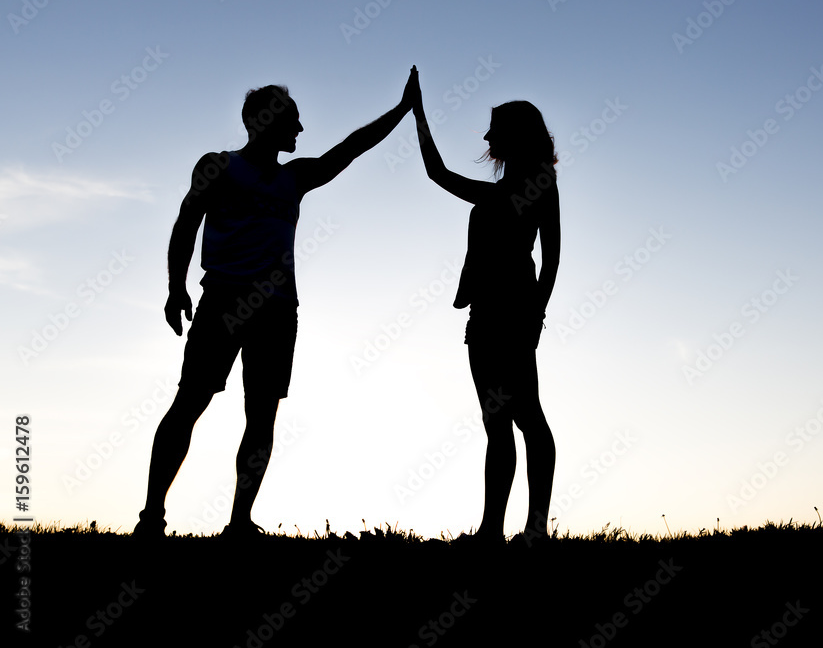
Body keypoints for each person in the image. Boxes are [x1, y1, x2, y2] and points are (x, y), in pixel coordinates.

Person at [134, 69, 418, 540]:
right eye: (293, 120)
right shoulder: (218, 166)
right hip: (223, 299)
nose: (301, 130)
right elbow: (185, 224)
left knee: (262, 416)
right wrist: (176, 288)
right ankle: (151, 517)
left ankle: (239, 521)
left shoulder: (296, 176)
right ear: (262, 120)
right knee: (189, 404)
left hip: (278, 310)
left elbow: (350, 148)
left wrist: (401, 109)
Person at [410, 66, 560, 543]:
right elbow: (439, 175)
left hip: (513, 313)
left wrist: (536, 313)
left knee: (527, 416)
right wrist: (416, 112)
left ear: (515, 134)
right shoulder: (501, 189)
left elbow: (552, 254)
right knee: (498, 422)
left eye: (494, 126)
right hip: (486, 316)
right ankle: (492, 530)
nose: (486, 134)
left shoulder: (536, 184)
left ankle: (534, 528)